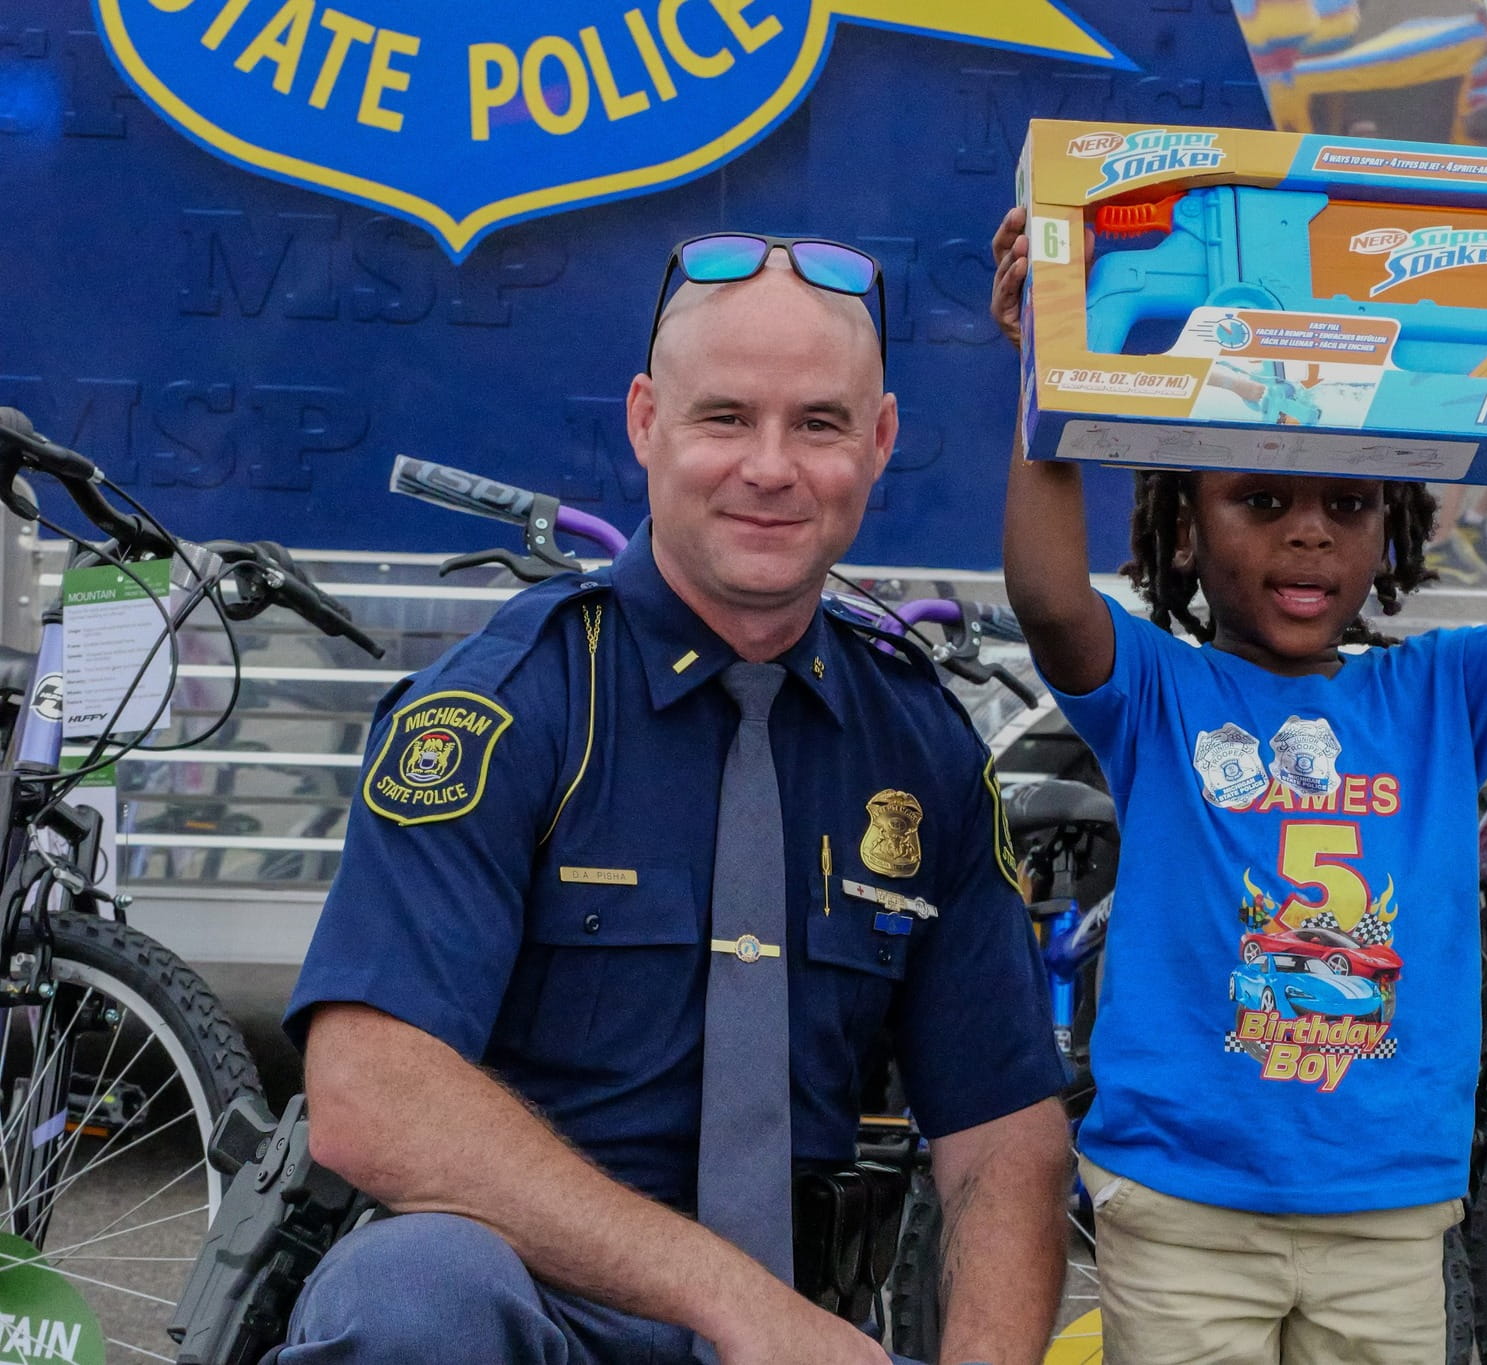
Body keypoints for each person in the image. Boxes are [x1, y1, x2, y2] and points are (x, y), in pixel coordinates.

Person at [278, 238, 1072, 1365]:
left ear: (880, 441)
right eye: (724, 418)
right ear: (646, 421)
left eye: (818, 424)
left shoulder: (921, 749)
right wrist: (729, 1299)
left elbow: (1001, 1134)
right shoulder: (512, 708)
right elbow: (370, 1091)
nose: (769, 467)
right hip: (549, 1313)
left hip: (815, 1332)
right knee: (411, 1290)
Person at [988, 206, 1487, 1364]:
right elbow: (1054, 601)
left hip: (1387, 1218)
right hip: (1181, 1210)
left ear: (1392, 527)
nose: (1308, 536)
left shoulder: (1441, 691)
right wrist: (1040, 368)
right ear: (1176, 533)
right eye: (1260, 501)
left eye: (1347, 505)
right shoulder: (1157, 694)